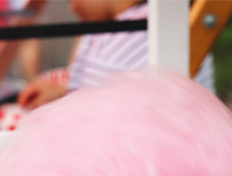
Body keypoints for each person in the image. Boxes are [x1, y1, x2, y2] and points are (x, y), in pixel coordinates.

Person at [17, 0, 215, 109]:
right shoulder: (110, 29)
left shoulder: (149, 30)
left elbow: (125, 109)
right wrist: (62, 94)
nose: (72, 7)